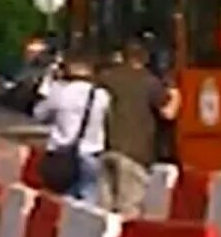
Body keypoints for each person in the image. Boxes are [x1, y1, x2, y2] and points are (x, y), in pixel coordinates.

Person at [96, 39, 164, 215]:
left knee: (106, 209)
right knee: (129, 208)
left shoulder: (106, 78)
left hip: (108, 148)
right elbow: (168, 112)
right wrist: (177, 94)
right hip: (136, 153)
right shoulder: (149, 81)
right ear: (145, 58)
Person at [33, 53, 110, 202]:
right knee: (88, 198)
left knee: (59, 200)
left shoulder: (60, 92)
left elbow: (39, 114)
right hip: (91, 152)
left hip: (60, 153)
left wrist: (50, 83)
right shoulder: (101, 95)